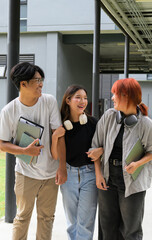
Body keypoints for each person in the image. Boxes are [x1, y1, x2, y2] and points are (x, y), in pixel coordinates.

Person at [0, 62, 67, 240]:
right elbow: (2, 144)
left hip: (50, 174)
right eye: (36, 80)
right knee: (22, 217)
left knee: (47, 218)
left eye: (41, 79)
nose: (41, 83)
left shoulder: (48, 101)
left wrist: (62, 167)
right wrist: (24, 151)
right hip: (25, 173)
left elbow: (59, 135)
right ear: (23, 84)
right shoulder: (9, 111)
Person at [87, 78, 152, 240]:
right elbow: (95, 146)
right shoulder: (108, 117)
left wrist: (138, 163)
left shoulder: (145, 124)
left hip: (133, 181)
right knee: (107, 226)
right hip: (107, 179)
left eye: (115, 94)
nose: (112, 97)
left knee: (131, 229)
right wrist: (99, 175)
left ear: (126, 96)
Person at [52, 85, 102, 240]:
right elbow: (54, 155)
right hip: (68, 175)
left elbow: (102, 147)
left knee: (86, 222)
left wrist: (100, 150)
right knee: (72, 222)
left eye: (85, 98)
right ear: (68, 100)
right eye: (78, 97)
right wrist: (55, 137)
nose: (83, 101)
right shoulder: (60, 124)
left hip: (90, 175)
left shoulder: (93, 123)